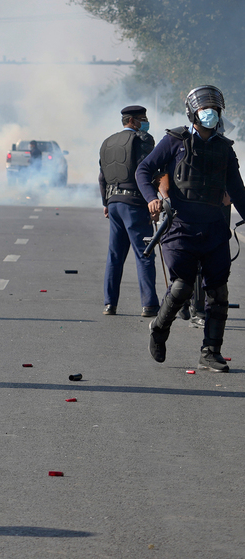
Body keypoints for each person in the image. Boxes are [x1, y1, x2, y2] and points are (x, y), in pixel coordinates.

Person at [137, 85, 245, 372]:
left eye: (214, 109)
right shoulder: (174, 141)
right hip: (180, 227)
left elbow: (238, 190)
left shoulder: (224, 149)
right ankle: (159, 329)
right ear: (193, 114)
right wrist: (152, 199)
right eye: (203, 109)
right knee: (183, 287)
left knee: (218, 293)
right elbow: (143, 171)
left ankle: (211, 352)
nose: (209, 114)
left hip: (214, 228)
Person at [99, 105, 159, 317]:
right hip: (134, 203)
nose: (146, 122)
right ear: (132, 121)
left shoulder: (107, 142)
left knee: (115, 255)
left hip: (113, 202)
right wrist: (152, 199)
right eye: (143, 118)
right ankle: (150, 304)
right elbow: (147, 169)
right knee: (144, 253)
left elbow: (102, 177)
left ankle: (109, 304)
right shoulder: (142, 139)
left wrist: (106, 202)